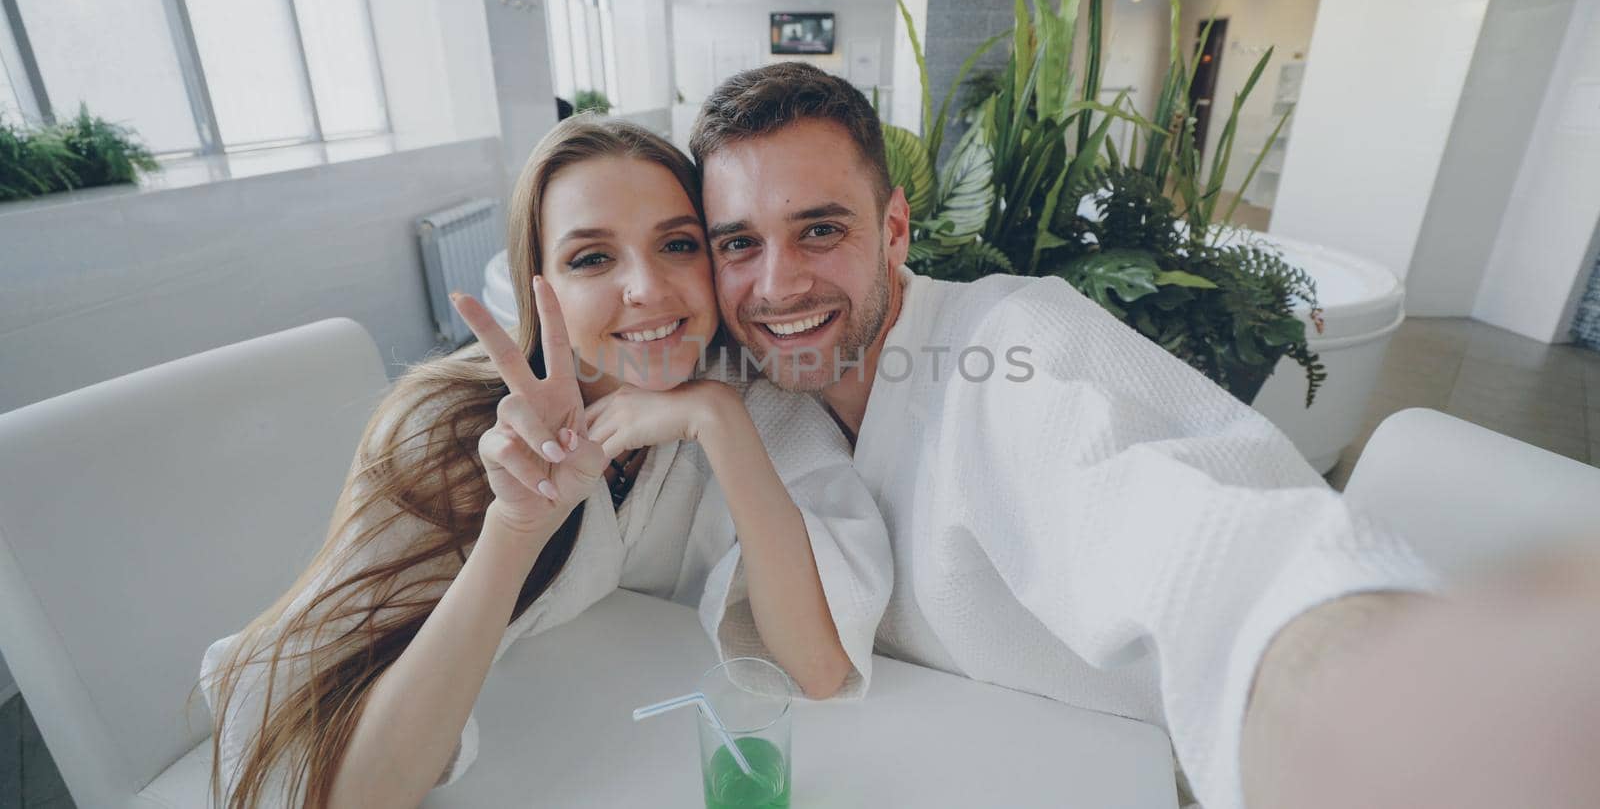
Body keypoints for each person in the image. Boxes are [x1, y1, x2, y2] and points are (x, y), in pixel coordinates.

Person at [686, 62, 1443, 809]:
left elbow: (1204, 542)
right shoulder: (767, 394)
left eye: (819, 229)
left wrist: (1365, 694)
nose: (778, 285)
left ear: (894, 229)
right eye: (739, 244)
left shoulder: (1011, 352)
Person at [199, 117, 891, 808]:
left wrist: (719, 419)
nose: (646, 288)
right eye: (592, 258)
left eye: (678, 245)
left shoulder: (746, 391)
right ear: (540, 287)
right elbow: (349, 793)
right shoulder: (445, 427)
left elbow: (819, 667)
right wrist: (517, 525)